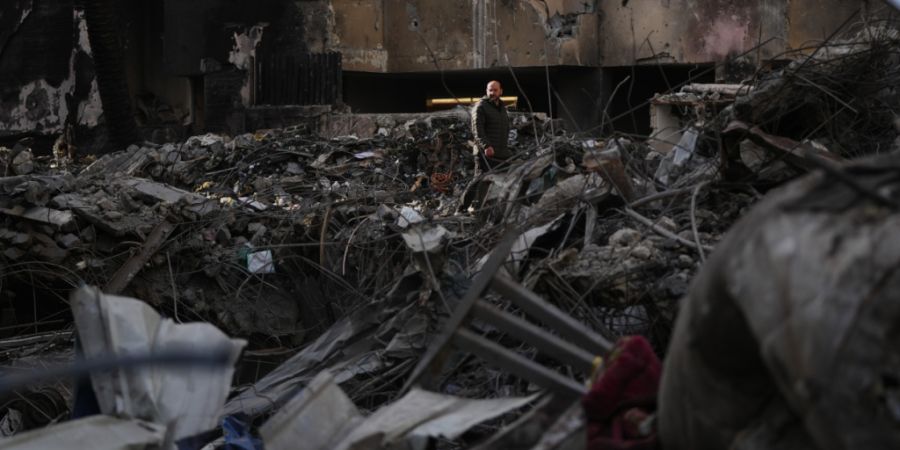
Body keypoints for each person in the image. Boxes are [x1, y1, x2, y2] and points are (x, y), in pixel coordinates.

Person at [471, 80, 511, 175]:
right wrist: (486, 146)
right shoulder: (480, 106)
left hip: (501, 155)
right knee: (481, 184)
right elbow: (477, 130)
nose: (492, 93)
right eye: (490, 90)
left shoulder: (502, 107)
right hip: (486, 155)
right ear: (486, 91)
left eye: (495, 90)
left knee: (502, 184)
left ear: (501, 91)